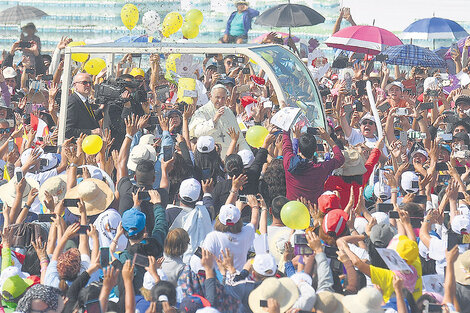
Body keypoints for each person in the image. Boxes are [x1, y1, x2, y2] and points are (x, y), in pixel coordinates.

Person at [282, 127, 344, 203]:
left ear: (299, 149)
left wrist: (287, 130)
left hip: (291, 211)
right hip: (313, 212)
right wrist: (328, 138)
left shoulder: (289, 163)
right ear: (316, 149)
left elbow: (286, 145)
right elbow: (340, 158)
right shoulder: (321, 169)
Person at [189, 84, 249, 156]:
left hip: (229, 159)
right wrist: (214, 121)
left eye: (223, 98)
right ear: (210, 96)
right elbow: (197, 132)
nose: (220, 101)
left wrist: (247, 153)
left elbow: (239, 138)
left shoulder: (228, 111)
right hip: (211, 158)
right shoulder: (201, 112)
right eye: (217, 97)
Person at [65, 73, 102, 138]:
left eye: (90, 83)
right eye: (84, 82)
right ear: (75, 85)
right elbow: (67, 130)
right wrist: (91, 132)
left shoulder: (84, 100)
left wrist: (101, 109)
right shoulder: (72, 101)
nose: (88, 85)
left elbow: (87, 119)